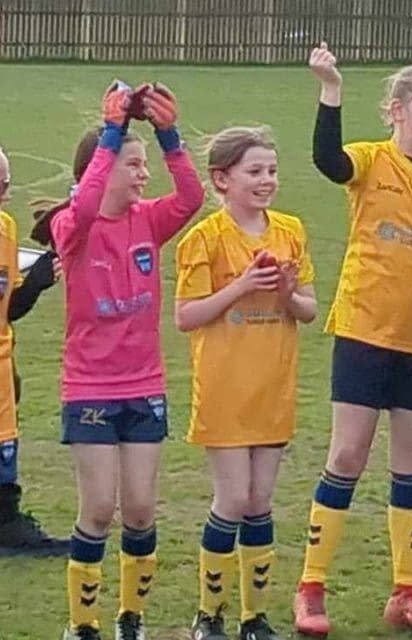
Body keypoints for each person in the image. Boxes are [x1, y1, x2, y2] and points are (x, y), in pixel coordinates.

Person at [292, 44, 412, 635]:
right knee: (347, 456)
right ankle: (311, 588)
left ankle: (405, 590)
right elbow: (327, 159)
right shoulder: (372, 161)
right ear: (396, 111)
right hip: (363, 330)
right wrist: (330, 90)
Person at [31, 81, 203, 640]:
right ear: (104, 170)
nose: (144, 174)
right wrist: (111, 133)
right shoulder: (72, 229)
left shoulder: (148, 220)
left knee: (141, 511)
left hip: (144, 384)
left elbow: (192, 198)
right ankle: (82, 626)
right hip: (89, 387)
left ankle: (131, 619)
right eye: (135, 164)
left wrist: (170, 137)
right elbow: (82, 203)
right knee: (99, 508)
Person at [176, 126, 317, 640]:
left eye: (272, 171)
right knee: (233, 498)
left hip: (273, 386)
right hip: (225, 388)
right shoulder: (205, 239)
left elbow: (308, 309)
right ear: (222, 179)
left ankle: (253, 617)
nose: (266, 181)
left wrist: (284, 292)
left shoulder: (290, 231)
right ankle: (208, 613)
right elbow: (187, 316)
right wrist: (241, 286)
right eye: (254, 172)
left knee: (260, 501)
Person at [0, 145, 68, 558]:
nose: (5, 195)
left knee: (5, 445)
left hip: (3, 363)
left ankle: (8, 524)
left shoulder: (5, 230)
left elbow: (9, 309)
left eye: (6, 185)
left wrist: (39, 281)